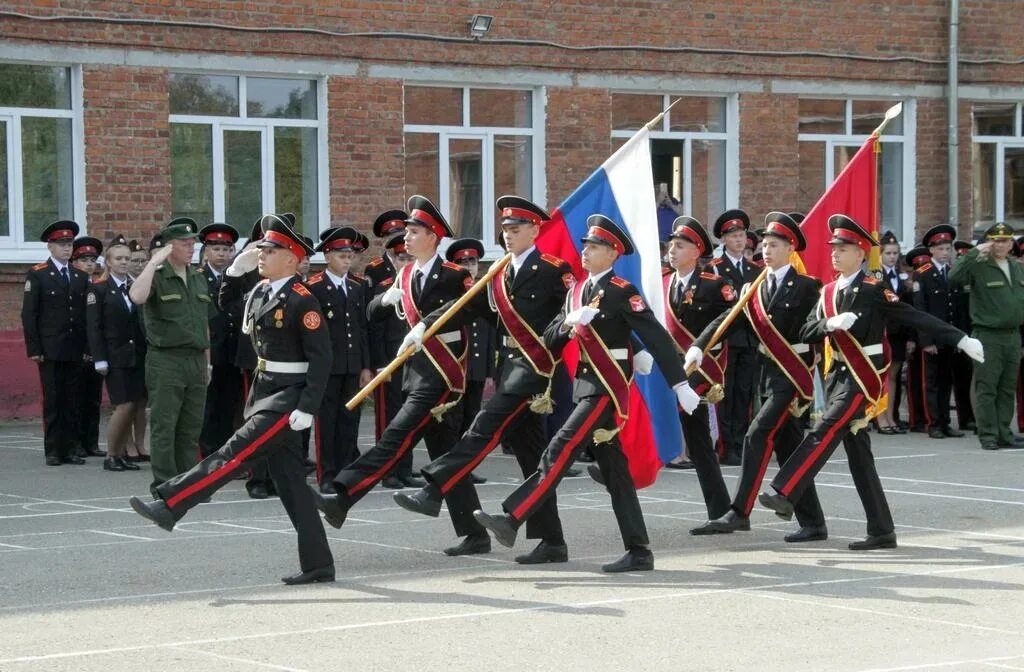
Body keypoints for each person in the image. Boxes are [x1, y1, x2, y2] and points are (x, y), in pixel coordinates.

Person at [473, 215, 699, 573]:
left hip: (606, 389)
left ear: (612, 254)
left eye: (594, 247)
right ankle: (639, 549)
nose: (586, 252)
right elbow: (548, 338)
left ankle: (512, 517)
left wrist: (680, 383)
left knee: (559, 448)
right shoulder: (576, 291)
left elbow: (654, 335)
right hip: (585, 387)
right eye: (585, 246)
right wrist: (568, 321)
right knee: (615, 473)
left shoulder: (623, 291)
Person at [129, 216, 334, 585]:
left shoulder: (304, 300)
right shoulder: (261, 291)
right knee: (291, 486)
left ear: (292, 259)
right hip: (265, 393)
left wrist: (307, 406)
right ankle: (319, 563)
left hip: (287, 399)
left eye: (270, 251)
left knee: (232, 453)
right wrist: (236, 274)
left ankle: (172, 504)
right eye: (261, 249)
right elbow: (225, 307)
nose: (261, 255)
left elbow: (322, 359)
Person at [759, 214, 985, 550]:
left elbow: (914, 316)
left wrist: (959, 339)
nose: (835, 253)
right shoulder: (827, 293)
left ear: (860, 254)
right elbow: (805, 332)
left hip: (862, 379)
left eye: (843, 248)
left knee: (826, 429)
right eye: (833, 247)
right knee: (859, 457)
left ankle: (785, 489)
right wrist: (829, 324)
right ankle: (881, 530)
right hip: (836, 376)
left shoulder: (874, 289)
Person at [393, 198, 572, 564]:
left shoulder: (555, 270)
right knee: (531, 456)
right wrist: (427, 325)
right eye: (505, 230)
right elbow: (469, 307)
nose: (508, 236)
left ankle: (434, 488)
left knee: (483, 427)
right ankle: (552, 541)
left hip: (536, 369)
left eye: (516, 229)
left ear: (536, 230)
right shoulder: (500, 272)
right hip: (508, 365)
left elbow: (573, 312)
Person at [310, 196, 489, 556]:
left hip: (442, 376)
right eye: (406, 231)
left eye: (415, 231)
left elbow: (472, 308)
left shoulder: (455, 275)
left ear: (434, 236)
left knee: (394, 438)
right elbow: (372, 314)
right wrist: (387, 299)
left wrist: (426, 322)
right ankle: (475, 532)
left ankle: (342, 496)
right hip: (415, 373)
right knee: (447, 454)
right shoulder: (405, 275)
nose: (406, 238)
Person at [690, 212, 827, 541]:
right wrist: (699, 346)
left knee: (756, 434)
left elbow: (817, 331)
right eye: (763, 244)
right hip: (766, 375)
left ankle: (739, 511)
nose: (765, 250)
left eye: (774, 244)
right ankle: (814, 522)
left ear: (790, 248)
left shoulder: (808, 286)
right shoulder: (755, 287)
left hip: (792, 379)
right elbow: (729, 319)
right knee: (787, 445)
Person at [652, 216, 734, 534]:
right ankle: (628, 468)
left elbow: (731, 315)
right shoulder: (660, 282)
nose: (672, 250)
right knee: (646, 418)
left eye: (680, 245)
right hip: (664, 371)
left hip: (696, 373)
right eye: (671, 244)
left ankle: (721, 511)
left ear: (697, 251)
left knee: (698, 443)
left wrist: (700, 345)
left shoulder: (714, 284)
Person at [129, 217, 212, 493]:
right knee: (165, 425)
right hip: (167, 360)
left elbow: (204, 324)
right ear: (168, 247)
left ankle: (188, 484)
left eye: (193, 243)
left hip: (196, 360)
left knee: (191, 428)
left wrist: (208, 363)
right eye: (185, 243)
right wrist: (153, 262)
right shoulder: (158, 275)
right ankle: (165, 485)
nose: (191, 248)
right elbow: (137, 297)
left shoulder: (198, 277)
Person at [307, 226, 372, 491]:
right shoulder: (314, 288)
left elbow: (361, 329)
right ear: (327, 256)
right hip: (328, 366)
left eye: (350, 256)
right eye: (341, 255)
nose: (347, 260)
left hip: (351, 364)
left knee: (349, 420)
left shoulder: (356, 288)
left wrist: (365, 365)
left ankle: (346, 472)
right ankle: (327, 474)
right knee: (327, 421)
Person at [21, 220, 90, 466]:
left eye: (69, 244)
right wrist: (34, 348)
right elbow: (30, 314)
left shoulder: (80, 276)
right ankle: (53, 449)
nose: (66, 249)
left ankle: (70, 447)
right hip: (50, 347)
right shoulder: (39, 274)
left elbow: (84, 315)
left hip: (74, 346)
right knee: (53, 399)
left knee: (72, 399)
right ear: (50, 247)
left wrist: (86, 347)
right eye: (61, 244)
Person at [950, 222, 1024, 450]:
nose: (1001, 245)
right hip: (988, 334)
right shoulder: (979, 265)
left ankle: (1004, 433)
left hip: (1012, 335)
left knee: (1007, 387)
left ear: (1012, 243)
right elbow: (954, 277)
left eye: (1005, 240)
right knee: (987, 387)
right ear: (988, 242)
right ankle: (989, 435)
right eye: (996, 240)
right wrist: (974, 252)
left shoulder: (1016, 266)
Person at [364, 211, 423, 489]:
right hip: (389, 358)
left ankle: (405, 468)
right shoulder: (379, 277)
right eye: (400, 256)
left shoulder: (416, 278)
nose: (405, 261)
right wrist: (377, 363)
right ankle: (388, 470)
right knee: (389, 418)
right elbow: (374, 326)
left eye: (408, 257)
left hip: (412, 356)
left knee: (408, 416)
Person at [86, 235, 145, 472]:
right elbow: (94, 326)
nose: (123, 262)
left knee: (134, 405)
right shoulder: (99, 288)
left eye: (127, 258)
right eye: (118, 258)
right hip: (114, 355)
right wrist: (99, 357)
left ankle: (121, 454)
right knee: (123, 405)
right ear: (108, 262)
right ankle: (111, 454)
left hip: (136, 355)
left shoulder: (134, 286)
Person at [707, 209, 760, 465]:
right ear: (724, 240)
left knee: (744, 393)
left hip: (749, 339)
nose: (739, 240)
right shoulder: (715, 269)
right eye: (734, 236)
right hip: (727, 341)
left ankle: (740, 444)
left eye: (742, 235)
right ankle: (726, 446)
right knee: (725, 395)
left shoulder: (754, 269)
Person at [442, 237, 493, 486]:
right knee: (453, 416)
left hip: (477, 366)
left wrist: (490, 371)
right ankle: (449, 465)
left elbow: (492, 333)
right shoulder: (450, 291)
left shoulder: (485, 290)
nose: (469, 265)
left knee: (472, 418)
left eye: (472, 261)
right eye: (463, 262)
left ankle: (465, 466)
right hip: (456, 366)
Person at [912, 224, 965, 439]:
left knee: (946, 381)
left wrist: (959, 338)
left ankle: (944, 422)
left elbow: (957, 308)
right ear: (931, 251)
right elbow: (920, 310)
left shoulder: (952, 272)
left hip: (949, 338)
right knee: (931, 382)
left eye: (948, 248)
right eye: (941, 249)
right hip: (933, 339)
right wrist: (926, 340)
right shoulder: (922, 274)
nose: (945, 253)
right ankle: (933, 423)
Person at [197, 223, 243, 458]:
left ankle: (225, 454)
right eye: (216, 249)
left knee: (230, 406)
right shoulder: (198, 279)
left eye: (226, 250)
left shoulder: (237, 277)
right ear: (206, 252)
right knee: (210, 407)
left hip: (233, 351)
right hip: (211, 351)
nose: (222, 254)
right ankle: (207, 454)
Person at [71, 236, 107, 459]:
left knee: (93, 398)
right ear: (75, 262)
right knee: (76, 399)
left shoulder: (98, 286)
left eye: (92, 259)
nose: (89, 263)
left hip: (97, 350)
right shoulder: (72, 285)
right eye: (84, 259)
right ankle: (75, 443)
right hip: (77, 349)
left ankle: (91, 442)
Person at [874, 231, 913, 434]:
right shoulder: (875, 275)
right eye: (888, 253)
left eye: (895, 253)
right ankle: (880, 418)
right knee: (883, 376)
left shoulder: (902, 276)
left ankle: (891, 416)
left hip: (898, 333)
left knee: (894, 376)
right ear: (880, 254)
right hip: (882, 332)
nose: (892, 257)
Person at [902, 245, 932, 432]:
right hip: (914, 337)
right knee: (915, 381)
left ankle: (924, 417)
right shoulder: (909, 290)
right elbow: (910, 317)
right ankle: (916, 418)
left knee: (928, 380)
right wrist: (912, 339)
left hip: (926, 335)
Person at [950, 239, 977, 433]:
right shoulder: (955, 281)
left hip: (979, 332)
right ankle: (965, 418)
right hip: (963, 334)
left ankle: (976, 417)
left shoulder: (976, 278)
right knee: (962, 379)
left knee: (977, 379)